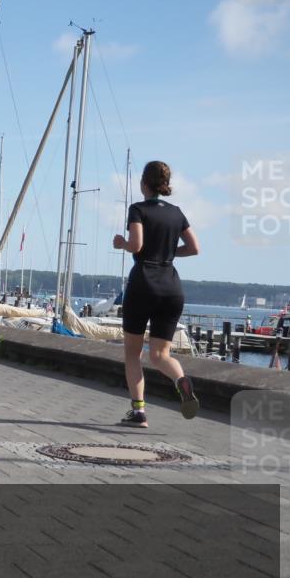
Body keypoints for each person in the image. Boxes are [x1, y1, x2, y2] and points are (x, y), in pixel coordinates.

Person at [112, 160, 200, 429]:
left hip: (143, 284)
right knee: (161, 355)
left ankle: (139, 412)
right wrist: (170, 253)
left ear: (144, 184)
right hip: (171, 287)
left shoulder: (138, 209)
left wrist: (122, 244)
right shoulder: (176, 212)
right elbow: (194, 247)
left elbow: (136, 244)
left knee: (132, 354)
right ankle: (180, 380)